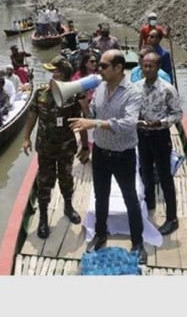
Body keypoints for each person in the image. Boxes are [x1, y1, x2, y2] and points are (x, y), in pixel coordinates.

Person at [68, 50, 147, 264]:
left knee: (130, 198)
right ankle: (100, 235)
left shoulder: (133, 92)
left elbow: (128, 124)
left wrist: (93, 124)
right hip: (101, 153)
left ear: (118, 68)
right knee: (100, 197)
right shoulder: (101, 88)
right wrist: (85, 107)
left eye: (103, 66)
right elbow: (93, 114)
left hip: (123, 155)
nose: (98, 69)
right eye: (98, 66)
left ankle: (138, 242)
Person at [22, 56, 90, 239]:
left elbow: (81, 122)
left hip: (66, 147)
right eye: (51, 71)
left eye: (55, 70)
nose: (52, 74)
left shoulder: (75, 95)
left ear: (63, 73)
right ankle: (43, 218)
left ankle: (68, 207)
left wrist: (85, 146)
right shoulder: (40, 93)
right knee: (44, 182)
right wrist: (26, 137)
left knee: (66, 178)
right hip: (45, 148)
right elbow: (32, 117)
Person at [135, 51, 183, 236]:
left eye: (151, 66)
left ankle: (172, 219)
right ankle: (150, 204)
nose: (147, 69)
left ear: (158, 67)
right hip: (142, 135)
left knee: (164, 177)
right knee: (145, 172)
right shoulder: (136, 87)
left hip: (160, 136)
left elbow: (177, 114)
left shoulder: (167, 89)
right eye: (144, 66)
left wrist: (161, 122)